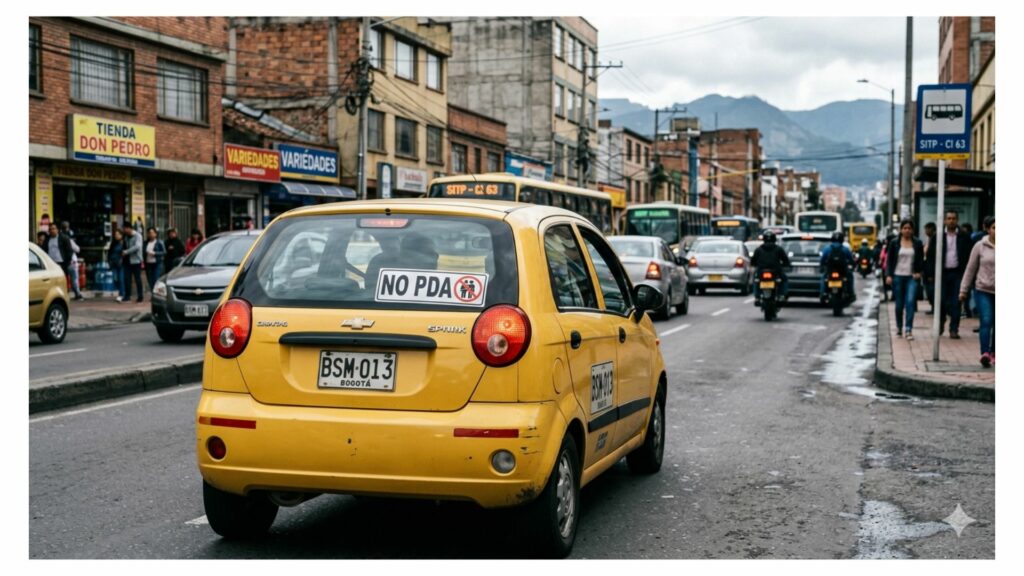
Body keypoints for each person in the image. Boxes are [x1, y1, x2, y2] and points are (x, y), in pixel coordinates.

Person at [926, 210, 972, 339]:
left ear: (957, 220)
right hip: (942, 273)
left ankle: (954, 329)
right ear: (945, 220)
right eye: (949, 218)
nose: (951, 221)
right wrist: (930, 274)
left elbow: (969, 255)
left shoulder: (964, 236)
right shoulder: (938, 236)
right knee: (940, 300)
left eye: (953, 218)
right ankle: (941, 321)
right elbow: (930, 256)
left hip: (957, 273)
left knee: (957, 301)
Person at [960, 217, 994, 367]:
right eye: (994, 228)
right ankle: (985, 353)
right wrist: (963, 289)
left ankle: (994, 353)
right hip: (983, 289)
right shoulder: (980, 246)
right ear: (988, 229)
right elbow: (970, 269)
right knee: (986, 320)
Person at [885, 219, 924, 340]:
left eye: (909, 228)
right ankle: (899, 326)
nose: (907, 230)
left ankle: (908, 329)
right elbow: (889, 260)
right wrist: (889, 275)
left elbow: (921, 259)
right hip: (897, 276)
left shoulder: (917, 243)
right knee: (899, 304)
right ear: (901, 230)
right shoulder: (894, 243)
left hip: (911, 277)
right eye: (905, 228)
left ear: (912, 230)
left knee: (910, 302)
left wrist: (919, 272)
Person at [750, 230, 790, 306]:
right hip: (776, 271)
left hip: (761, 271)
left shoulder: (758, 249)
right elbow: (785, 260)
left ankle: (757, 296)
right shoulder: (779, 249)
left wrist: (755, 266)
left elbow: (753, 261)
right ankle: (782, 295)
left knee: (756, 280)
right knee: (784, 280)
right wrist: (786, 265)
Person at [819, 231, 856, 303]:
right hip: (842, 271)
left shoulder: (827, 248)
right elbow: (851, 260)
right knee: (850, 277)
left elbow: (822, 260)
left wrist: (822, 267)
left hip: (830, 270)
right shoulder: (845, 249)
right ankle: (851, 293)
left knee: (823, 278)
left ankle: (823, 293)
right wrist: (853, 265)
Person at [45, 223, 74, 291]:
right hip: (51, 264)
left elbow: (69, 250)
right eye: (50, 229)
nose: (52, 231)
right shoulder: (47, 240)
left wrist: (67, 262)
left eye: (53, 229)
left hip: (62, 263)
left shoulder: (63, 238)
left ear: (57, 230)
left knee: (62, 279)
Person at [121, 224, 145, 303]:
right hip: (127, 261)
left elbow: (137, 246)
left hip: (136, 260)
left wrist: (126, 252)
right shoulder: (126, 237)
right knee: (127, 278)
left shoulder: (138, 236)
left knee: (137, 279)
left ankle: (140, 296)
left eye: (125, 229)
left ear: (129, 228)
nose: (124, 230)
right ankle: (127, 296)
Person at [143, 227, 166, 296]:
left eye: (152, 233)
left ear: (155, 234)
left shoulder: (159, 242)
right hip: (148, 263)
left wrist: (155, 253)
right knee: (150, 280)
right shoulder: (145, 243)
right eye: (149, 233)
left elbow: (164, 252)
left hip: (157, 263)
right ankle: (153, 293)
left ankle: (157, 294)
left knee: (156, 279)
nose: (151, 234)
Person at [921, 222, 937, 314]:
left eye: (927, 229)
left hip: (931, 270)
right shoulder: (928, 239)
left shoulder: (935, 239)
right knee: (928, 289)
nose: (926, 231)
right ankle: (933, 307)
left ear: (932, 229)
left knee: (931, 290)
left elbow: (932, 256)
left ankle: (935, 308)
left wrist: (931, 273)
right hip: (926, 269)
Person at [107, 228, 125, 301]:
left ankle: (121, 294)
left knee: (121, 279)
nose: (116, 236)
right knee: (115, 279)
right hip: (113, 263)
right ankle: (121, 291)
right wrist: (109, 261)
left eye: (118, 234)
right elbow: (110, 252)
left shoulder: (123, 243)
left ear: (121, 235)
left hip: (121, 264)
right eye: (115, 234)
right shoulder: (113, 243)